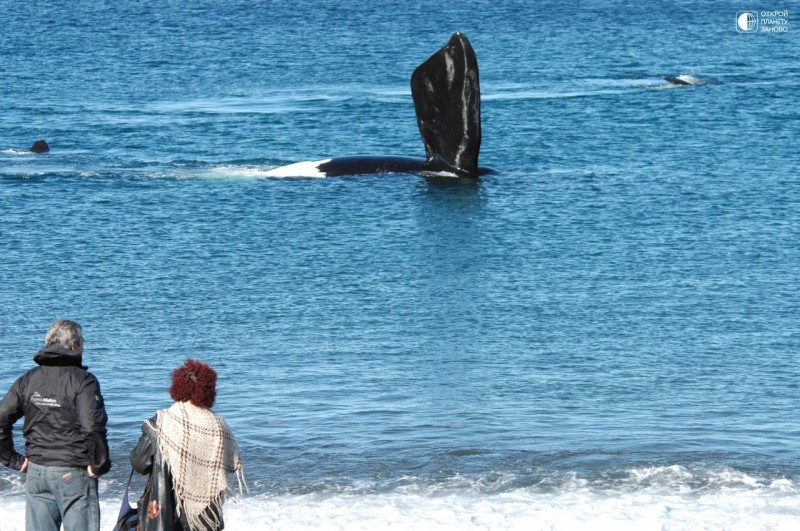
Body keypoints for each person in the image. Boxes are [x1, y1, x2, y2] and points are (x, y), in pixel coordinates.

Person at [0, 319, 112, 531]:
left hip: (37, 472)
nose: (83, 347)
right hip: (73, 472)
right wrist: (99, 464)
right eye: (83, 342)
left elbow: (1, 418)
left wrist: (12, 459)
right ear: (74, 346)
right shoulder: (83, 380)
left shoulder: (28, 379)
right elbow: (92, 427)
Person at [130, 359, 246, 530]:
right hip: (206, 518)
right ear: (209, 391)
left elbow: (139, 464)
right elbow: (227, 467)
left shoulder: (160, 423)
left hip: (166, 514)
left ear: (178, 387)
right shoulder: (219, 426)